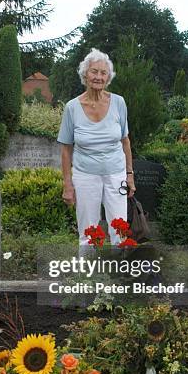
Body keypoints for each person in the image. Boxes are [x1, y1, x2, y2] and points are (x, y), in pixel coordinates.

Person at [57, 48, 135, 247]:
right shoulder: (72, 107)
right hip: (85, 176)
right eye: (94, 71)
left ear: (108, 77)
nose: (98, 77)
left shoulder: (119, 103)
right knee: (88, 232)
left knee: (120, 229)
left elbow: (125, 141)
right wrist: (67, 184)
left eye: (103, 73)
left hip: (116, 174)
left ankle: (120, 275)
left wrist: (130, 175)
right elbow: (66, 149)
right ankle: (88, 276)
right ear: (85, 74)